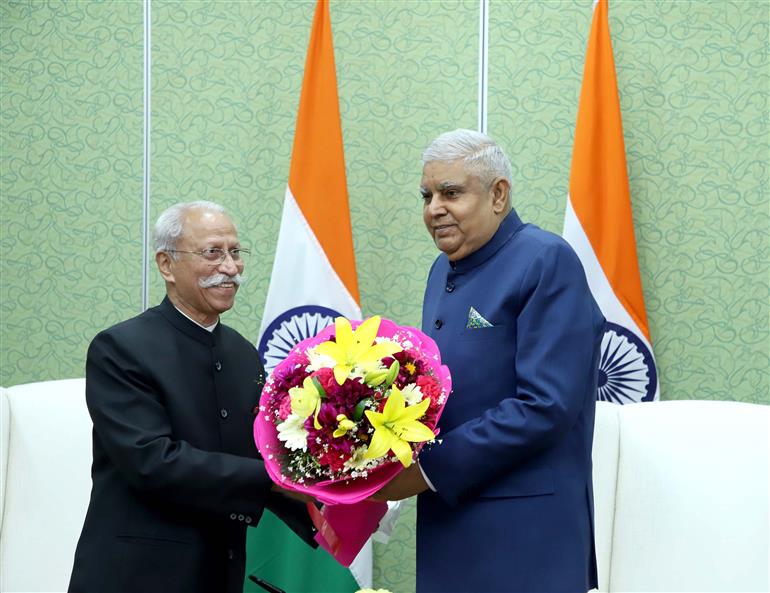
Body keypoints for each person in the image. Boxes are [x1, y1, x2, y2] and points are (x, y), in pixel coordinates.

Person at [374, 130, 605, 593]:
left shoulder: (545, 260)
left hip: (525, 535)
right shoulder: (442, 271)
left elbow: (545, 405)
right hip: (450, 524)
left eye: (451, 193)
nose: (434, 208)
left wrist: (425, 471)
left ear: (498, 194)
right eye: (427, 195)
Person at [68, 201, 317, 593]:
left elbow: (260, 454)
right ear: (166, 264)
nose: (231, 268)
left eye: (236, 253)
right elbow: (152, 461)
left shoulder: (242, 354)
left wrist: (335, 502)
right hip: (137, 576)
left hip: (220, 572)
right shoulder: (120, 348)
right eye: (213, 253)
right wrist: (271, 479)